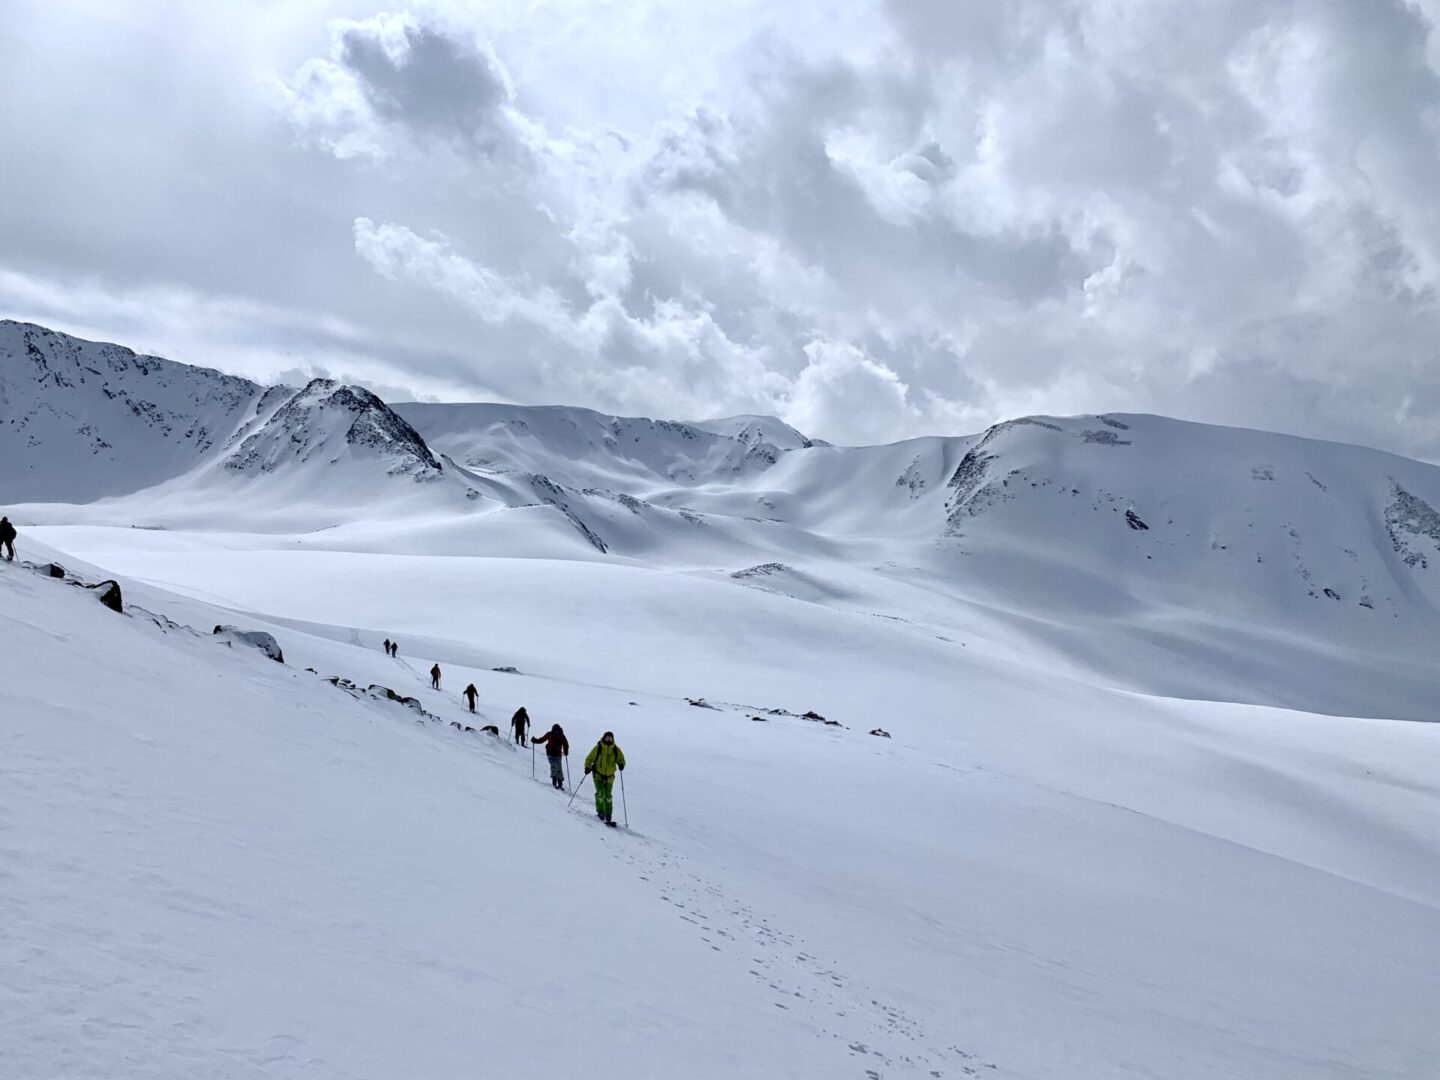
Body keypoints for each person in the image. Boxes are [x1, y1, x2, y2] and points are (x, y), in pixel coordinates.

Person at [583, 731, 626, 826]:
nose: (609, 739)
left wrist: (621, 764)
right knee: (600, 793)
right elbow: (589, 759)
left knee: (608, 796)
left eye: (611, 738)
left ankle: (608, 814)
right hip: (598, 775)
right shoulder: (598, 748)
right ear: (604, 738)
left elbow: (621, 759)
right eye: (607, 738)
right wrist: (587, 767)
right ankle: (600, 812)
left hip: (610, 777)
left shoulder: (615, 749)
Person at [532, 723, 570, 789]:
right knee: (554, 766)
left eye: (557, 731)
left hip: (558, 755)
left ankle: (560, 783)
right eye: (555, 731)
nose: (556, 732)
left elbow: (566, 744)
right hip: (550, 754)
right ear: (553, 730)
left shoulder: (562, 736)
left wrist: (566, 751)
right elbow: (542, 739)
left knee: (559, 768)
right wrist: (535, 740)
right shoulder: (550, 734)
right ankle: (554, 782)